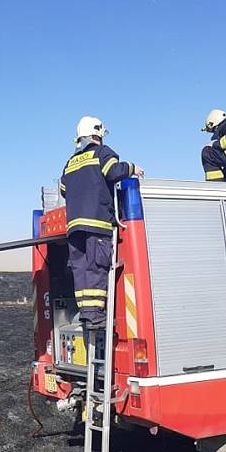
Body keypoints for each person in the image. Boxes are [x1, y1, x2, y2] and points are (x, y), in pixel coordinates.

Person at [59, 116, 143, 327]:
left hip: (74, 227)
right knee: (96, 267)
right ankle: (96, 315)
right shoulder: (102, 153)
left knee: (81, 268)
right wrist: (132, 168)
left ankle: (86, 313)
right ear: (97, 134)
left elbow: (63, 189)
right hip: (96, 222)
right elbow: (113, 171)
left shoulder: (70, 162)